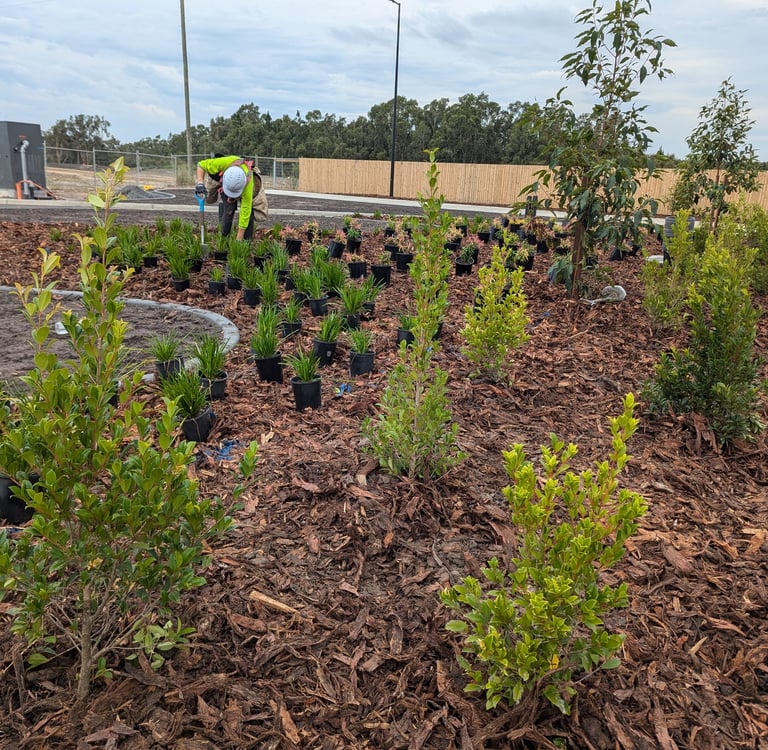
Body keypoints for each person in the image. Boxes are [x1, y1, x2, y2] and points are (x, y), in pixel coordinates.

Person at [195, 155, 268, 241]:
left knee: (249, 212)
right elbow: (201, 165)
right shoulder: (222, 163)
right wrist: (200, 182)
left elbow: (245, 209)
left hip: (242, 184)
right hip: (221, 176)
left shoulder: (248, 183)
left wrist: (239, 238)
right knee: (229, 208)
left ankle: (246, 241)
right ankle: (224, 239)